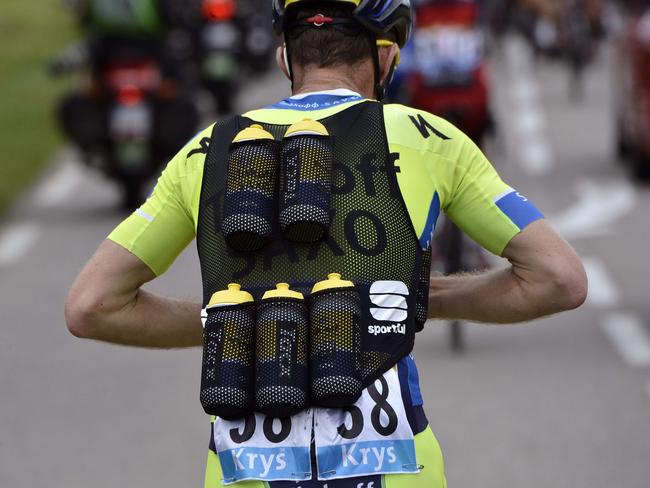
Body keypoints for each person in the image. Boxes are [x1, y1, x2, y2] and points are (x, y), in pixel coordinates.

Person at [65, 0, 588, 486]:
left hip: (246, 472)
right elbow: (558, 279)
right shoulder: (430, 138)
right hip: (395, 468)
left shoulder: (206, 150)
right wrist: (424, 298)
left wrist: (242, 319)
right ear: (385, 59)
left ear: (284, 58)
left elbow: (93, 306)